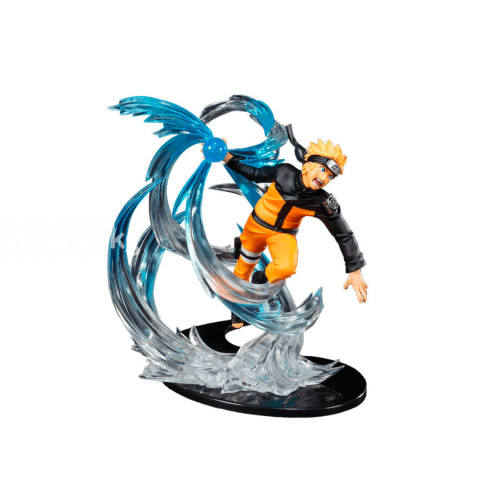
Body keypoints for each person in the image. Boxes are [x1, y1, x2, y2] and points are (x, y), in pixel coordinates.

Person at [223, 125, 368, 328]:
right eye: (323, 170)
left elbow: (344, 234)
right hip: (256, 226)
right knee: (243, 267)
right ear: (308, 165)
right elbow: (254, 173)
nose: (324, 179)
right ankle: (237, 308)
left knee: (286, 267)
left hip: (283, 235)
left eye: (330, 176)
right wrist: (227, 158)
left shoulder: (321, 202)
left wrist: (355, 269)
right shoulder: (284, 172)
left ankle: (260, 278)